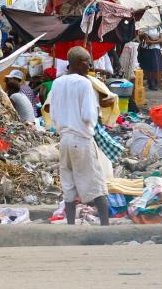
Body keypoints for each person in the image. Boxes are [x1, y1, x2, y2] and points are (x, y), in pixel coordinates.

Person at [45, 46, 110, 226]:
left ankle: (71, 226)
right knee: (96, 185)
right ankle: (106, 227)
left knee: (68, 186)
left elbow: (54, 114)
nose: (89, 66)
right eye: (88, 62)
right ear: (80, 63)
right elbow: (89, 116)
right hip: (81, 139)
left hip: (64, 140)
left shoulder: (58, 83)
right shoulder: (84, 83)